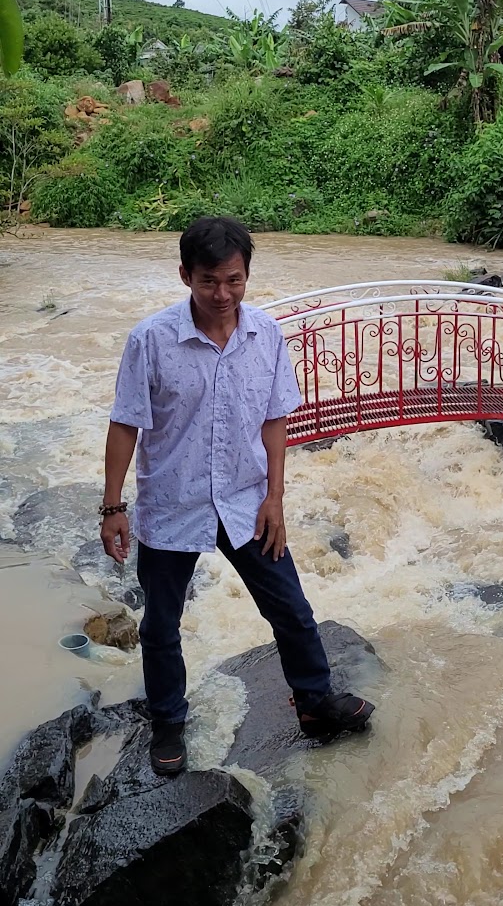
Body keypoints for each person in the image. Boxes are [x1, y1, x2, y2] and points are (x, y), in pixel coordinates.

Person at [100, 216, 374, 775]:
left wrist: (275, 496)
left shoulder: (265, 335)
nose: (222, 295)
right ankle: (168, 724)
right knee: (160, 626)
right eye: (208, 282)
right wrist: (112, 507)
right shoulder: (151, 340)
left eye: (233, 280)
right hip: (173, 503)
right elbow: (126, 424)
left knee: (292, 610)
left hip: (247, 500)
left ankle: (316, 705)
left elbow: (276, 419)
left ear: (247, 275)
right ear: (185, 276)